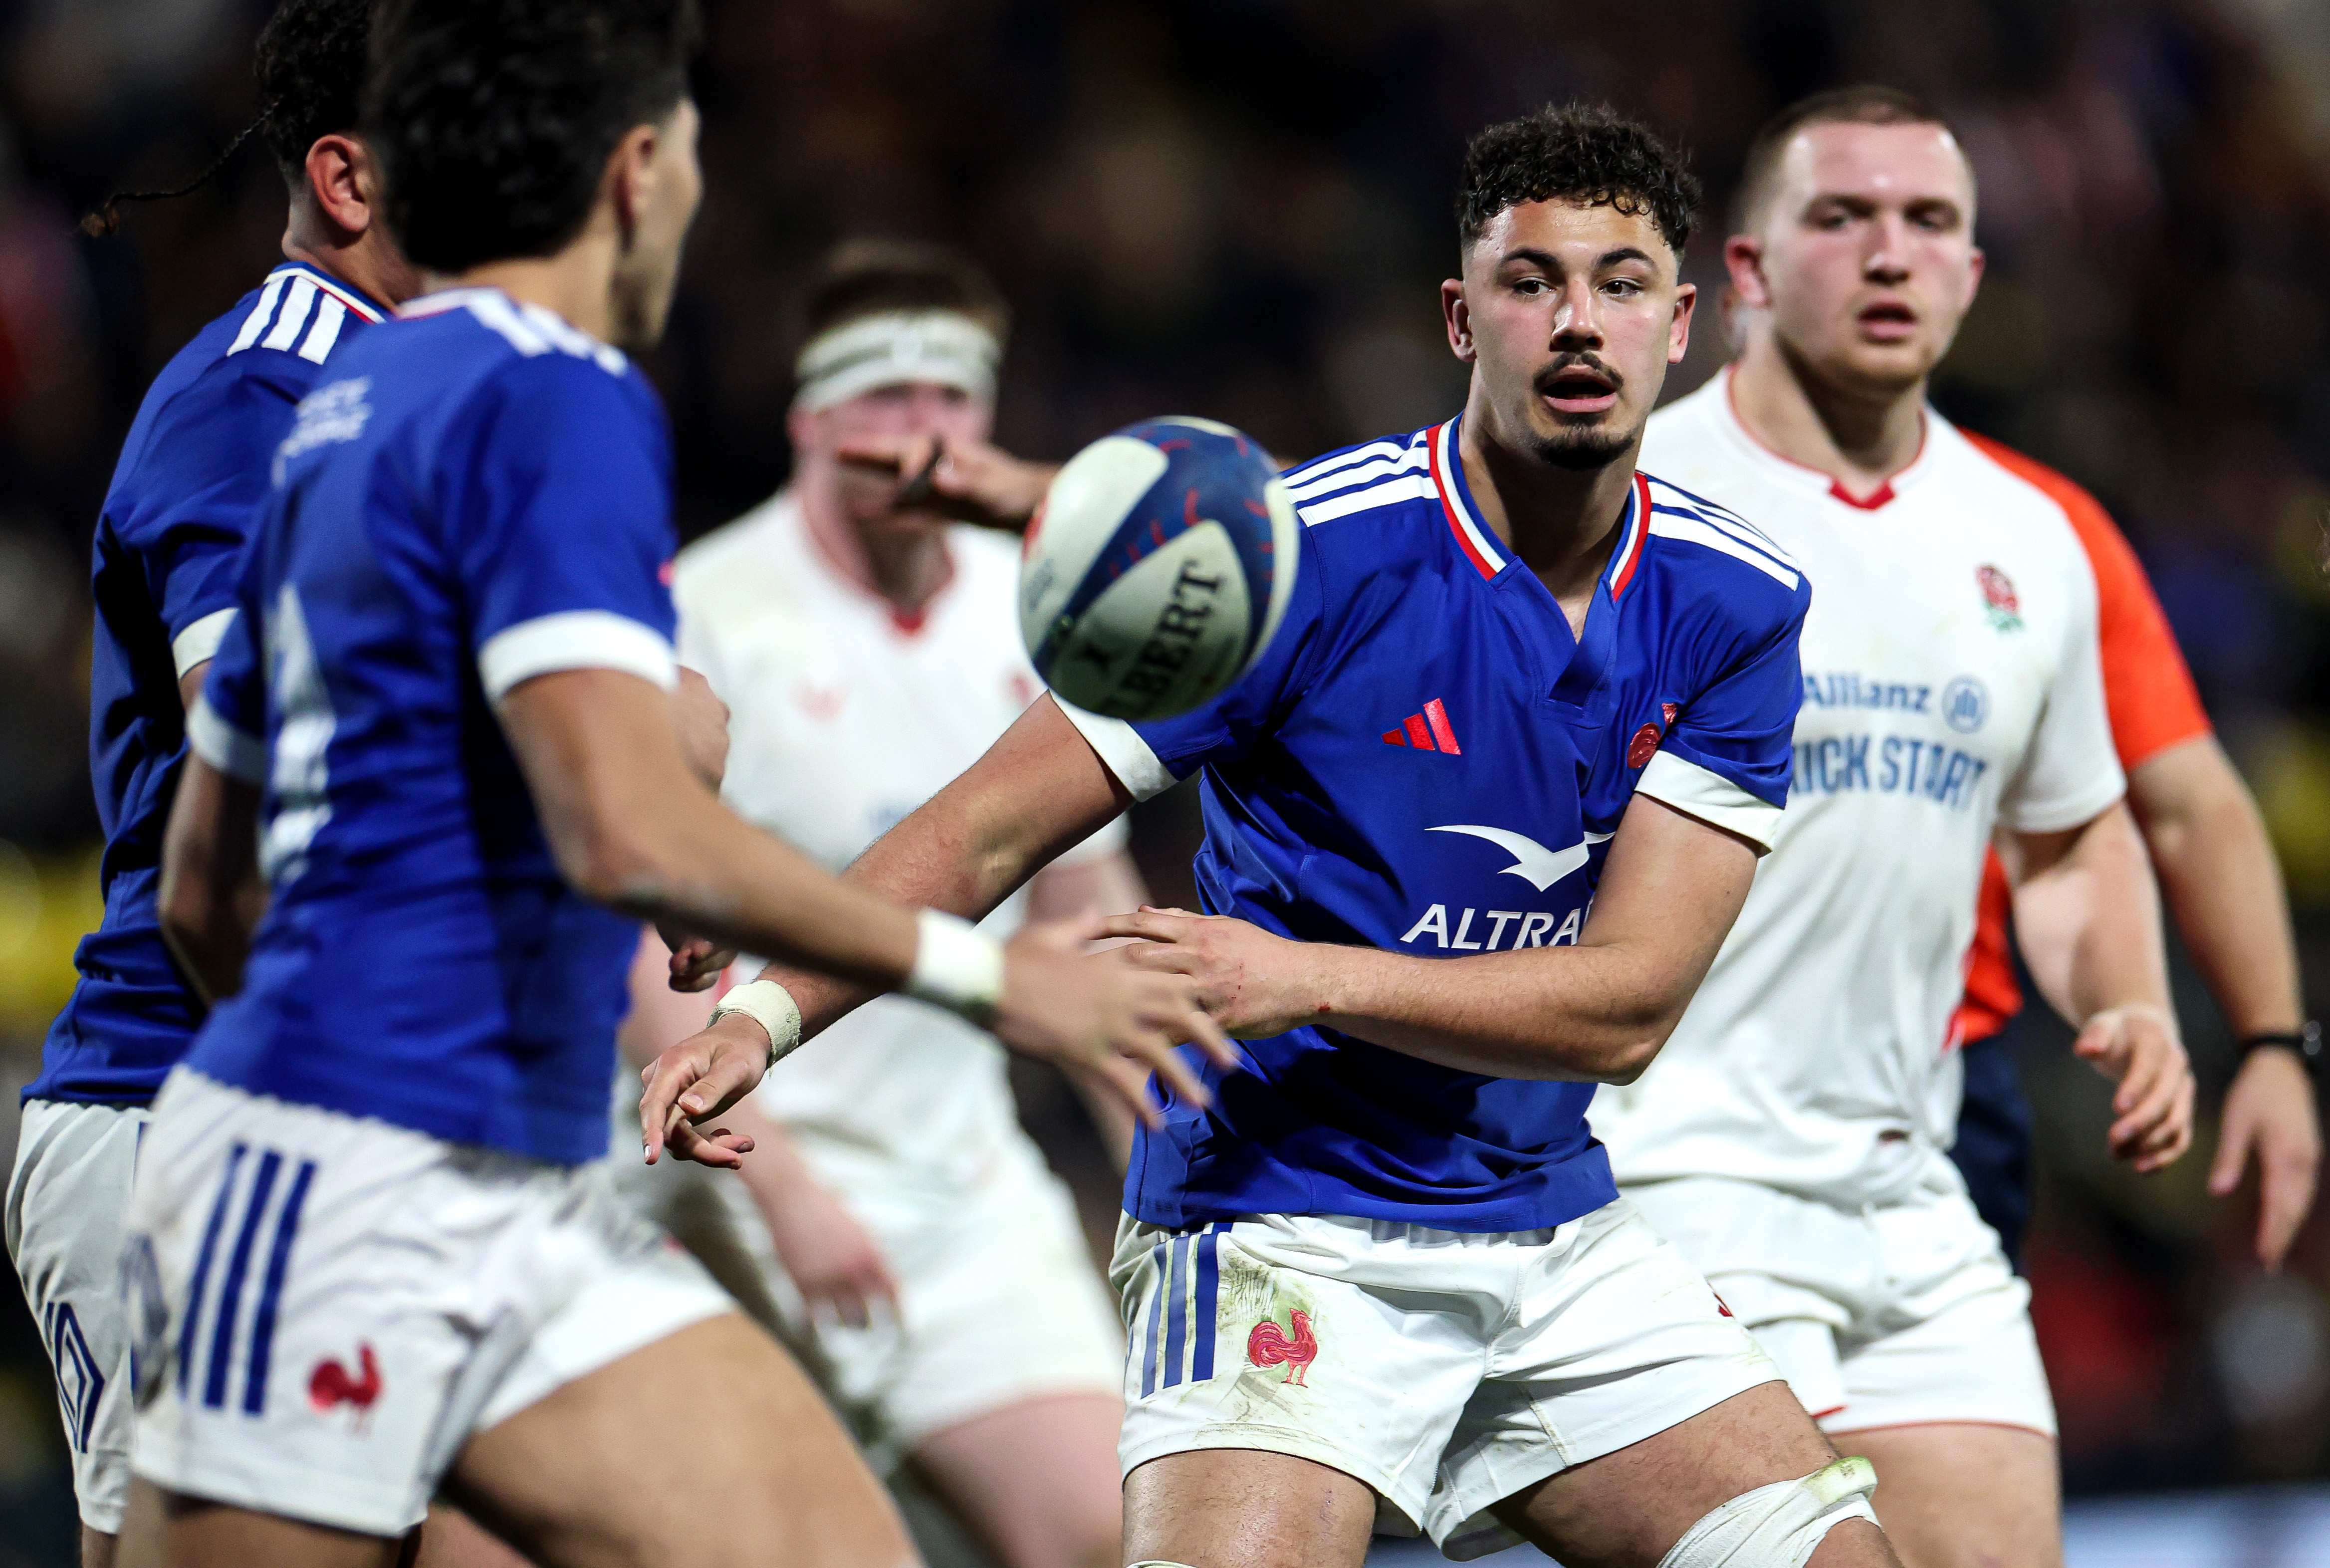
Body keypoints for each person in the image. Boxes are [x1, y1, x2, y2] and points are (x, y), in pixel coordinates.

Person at [649, 103, 1904, 1568]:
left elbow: (1623, 1007)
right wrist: (761, 1018)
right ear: (1460, 316)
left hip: (1548, 1231)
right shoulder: (1285, 559)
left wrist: (1307, 977)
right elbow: (989, 823)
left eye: (1619, 284)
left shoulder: (1734, 608)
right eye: (1529, 282)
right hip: (1271, 1220)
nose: (1578, 324)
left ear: (1680, 321)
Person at [123, 3, 1224, 1566]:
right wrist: (994, 981)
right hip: (348, 1194)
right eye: (695, 145)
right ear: (639, 171)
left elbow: (205, 885)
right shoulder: (559, 395)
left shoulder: (350, 406)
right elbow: (623, 827)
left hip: (492, 1179)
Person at [1590, 86, 2197, 1568]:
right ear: (1738, 273)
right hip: (1671, 1180)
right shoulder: (1626, 502)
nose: (1886, 253)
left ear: (1970, 276)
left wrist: (2127, 999)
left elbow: (2070, 835)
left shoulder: (2024, 536)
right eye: (1838, 217)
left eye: (1926, 222)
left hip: (1909, 1194)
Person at [613, 240, 1138, 1568]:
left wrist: (1160, 1152)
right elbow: (625, 936)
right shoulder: (704, 615)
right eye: (882, 398)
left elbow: (1082, 915)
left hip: (962, 1194)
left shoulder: (1035, 613)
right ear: (809, 418)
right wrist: (786, 1195)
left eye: (950, 398)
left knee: (1103, 1538)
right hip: (722, 1179)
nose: (920, 434)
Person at [5, 5, 419, 1563]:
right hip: (188, 1113)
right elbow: (267, 800)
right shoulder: (269, 402)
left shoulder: (440, 402)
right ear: (352, 177)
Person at [1947, 561, 2319, 1271]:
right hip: (1721, 1074)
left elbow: (2185, 806)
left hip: (1958, 1069)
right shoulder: (1690, 486)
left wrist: (2271, 1046)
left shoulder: (2047, 530)